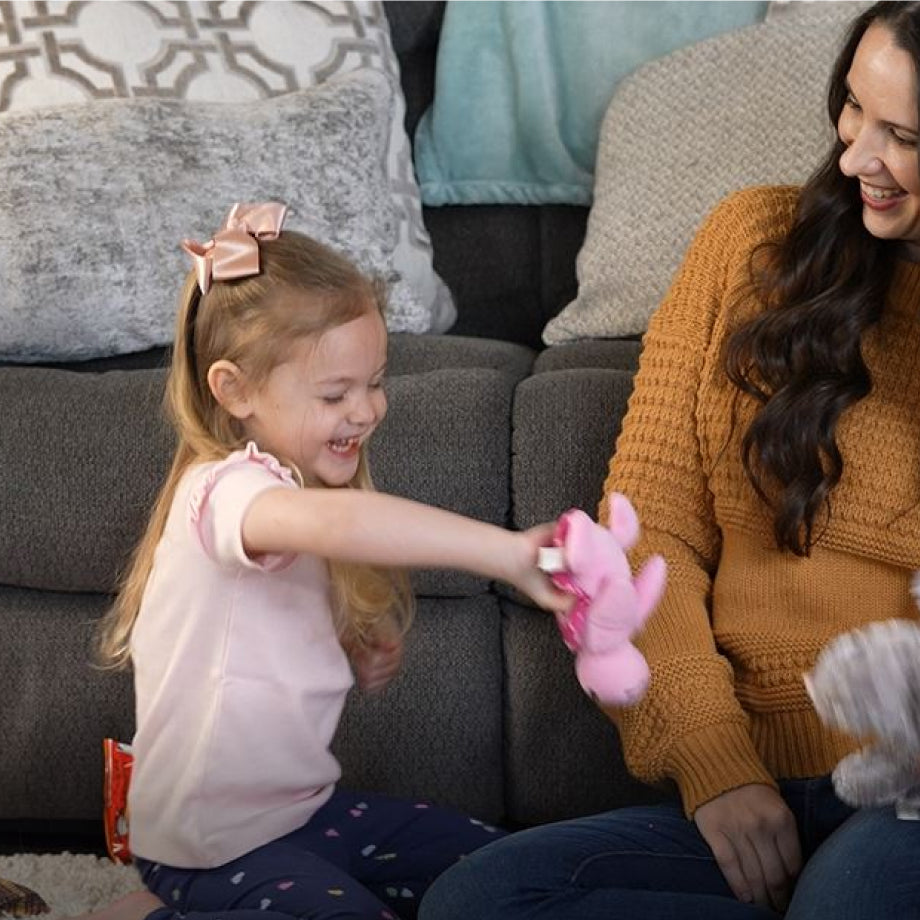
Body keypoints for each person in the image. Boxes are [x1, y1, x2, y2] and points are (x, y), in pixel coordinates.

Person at [418, 3, 920, 919]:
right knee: (477, 902)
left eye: (903, 137)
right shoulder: (748, 247)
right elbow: (647, 537)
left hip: (906, 798)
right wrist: (715, 763)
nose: (853, 156)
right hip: (754, 777)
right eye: (852, 109)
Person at [79, 202, 571, 920]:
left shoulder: (288, 490)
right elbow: (340, 524)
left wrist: (348, 648)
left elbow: (264, 636)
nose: (367, 411)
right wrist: (507, 552)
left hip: (301, 817)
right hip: (210, 846)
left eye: (374, 381)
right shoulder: (224, 490)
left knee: (498, 867)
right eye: (336, 393)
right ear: (234, 390)